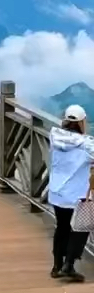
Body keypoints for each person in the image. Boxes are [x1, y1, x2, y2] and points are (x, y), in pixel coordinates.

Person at [48, 104, 94, 281]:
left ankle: (56, 265)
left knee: (61, 227)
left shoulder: (55, 136)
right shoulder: (86, 144)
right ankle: (69, 265)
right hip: (76, 194)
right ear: (82, 122)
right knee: (81, 228)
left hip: (57, 191)